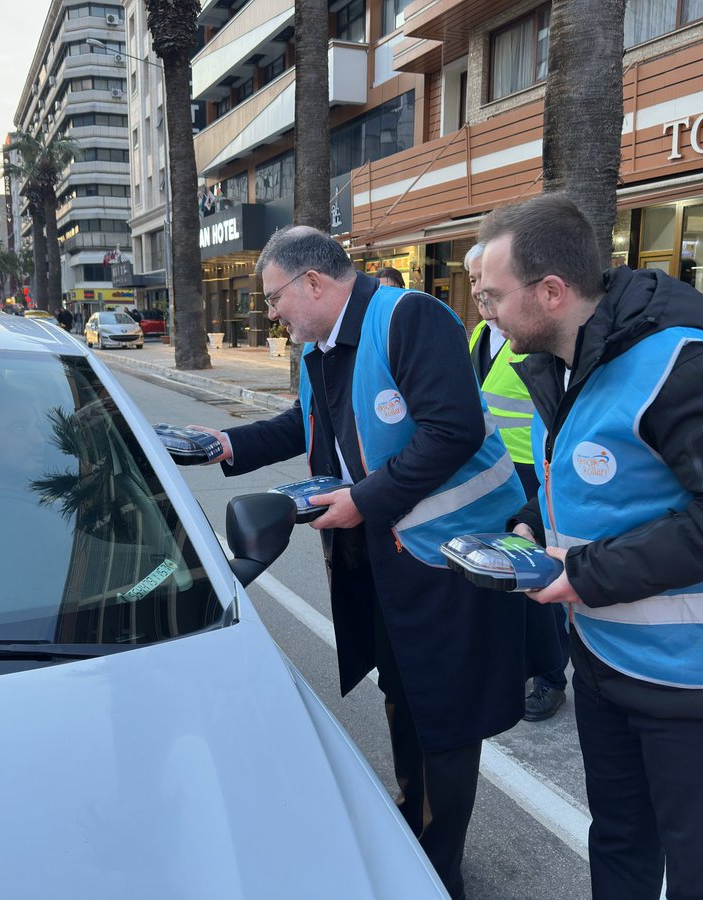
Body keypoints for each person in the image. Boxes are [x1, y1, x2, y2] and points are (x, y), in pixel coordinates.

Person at [191, 226, 562, 900]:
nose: (271, 313)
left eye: (275, 298)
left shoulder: (410, 318)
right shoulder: (322, 349)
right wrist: (222, 445)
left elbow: (451, 431)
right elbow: (302, 425)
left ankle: (438, 869)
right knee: (403, 698)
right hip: (382, 564)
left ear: (314, 283)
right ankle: (413, 827)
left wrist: (363, 501)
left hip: (449, 562)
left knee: (445, 720)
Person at [475, 193, 703, 900]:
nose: (484, 313)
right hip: (606, 661)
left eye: (492, 295)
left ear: (551, 292)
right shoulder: (573, 357)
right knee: (619, 845)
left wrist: (585, 572)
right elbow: (609, 484)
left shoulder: (682, 362)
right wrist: (533, 522)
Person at [464, 241, 569, 722]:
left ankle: (551, 678)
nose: (478, 295)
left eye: (487, 286)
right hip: (495, 470)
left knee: (543, 576)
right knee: (511, 577)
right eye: (472, 283)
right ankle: (524, 663)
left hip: (534, 472)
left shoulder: (534, 336)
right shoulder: (479, 336)